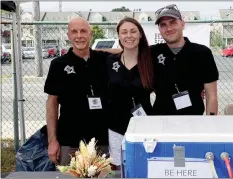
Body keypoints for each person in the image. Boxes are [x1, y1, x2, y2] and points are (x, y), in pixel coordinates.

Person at [44, 17, 111, 165]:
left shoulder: (105, 60)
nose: (79, 35)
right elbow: (52, 104)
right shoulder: (58, 65)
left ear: (91, 34)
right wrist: (52, 141)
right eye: (74, 32)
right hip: (70, 141)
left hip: (103, 141)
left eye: (83, 31)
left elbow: (128, 50)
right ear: (68, 35)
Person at [151, 4, 219, 115]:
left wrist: (211, 124)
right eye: (163, 25)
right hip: (161, 122)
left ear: (182, 24)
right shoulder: (152, 52)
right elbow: (127, 51)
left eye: (173, 22)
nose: (169, 28)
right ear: (159, 29)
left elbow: (211, 95)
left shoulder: (202, 53)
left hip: (193, 121)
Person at [106, 17, 154, 167]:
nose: (129, 35)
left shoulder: (151, 61)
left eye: (133, 31)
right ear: (119, 36)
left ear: (140, 34)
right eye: (124, 32)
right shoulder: (109, 61)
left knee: (143, 166)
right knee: (119, 169)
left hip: (144, 125)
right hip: (116, 127)